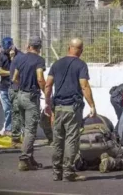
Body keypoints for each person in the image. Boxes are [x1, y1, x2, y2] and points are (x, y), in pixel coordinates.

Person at [45, 38, 96, 182]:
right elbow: (84, 85)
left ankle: (56, 172)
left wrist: (48, 104)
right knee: (71, 140)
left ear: (69, 47)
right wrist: (92, 105)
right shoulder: (81, 65)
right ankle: (68, 172)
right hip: (72, 108)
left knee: (58, 140)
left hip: (58, 108)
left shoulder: (56, 64)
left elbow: (48, 85)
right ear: (81, 50)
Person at [13, 36, 46, 171]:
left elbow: (15, 78)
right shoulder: (39, 60)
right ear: (39, 47)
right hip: (31, 97)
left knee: (26, 128)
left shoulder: (20, 58)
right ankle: (24, 159)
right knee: (30, 130)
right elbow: (40, 78)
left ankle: (30, 158)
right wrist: (46, 92)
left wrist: (23, 86)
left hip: (20, 95)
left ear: (29, 46)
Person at [8, 45, 24, 148]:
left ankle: (16, 138)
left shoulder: (17, 59)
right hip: (17, 89)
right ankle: (16, 139)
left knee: (16, 114)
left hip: (14, 88)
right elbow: (16, 77)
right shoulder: (22, 58)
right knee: (17, 114)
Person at [0, 37, 14, 136]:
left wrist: (13, 58)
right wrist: (11, 73)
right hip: (4, 86)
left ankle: (16, 129)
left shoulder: (18, 55)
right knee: (8, 109)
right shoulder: (1, 56)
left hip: (15, 86)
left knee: (16, 110)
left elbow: (20, 70)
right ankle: (8, 129)